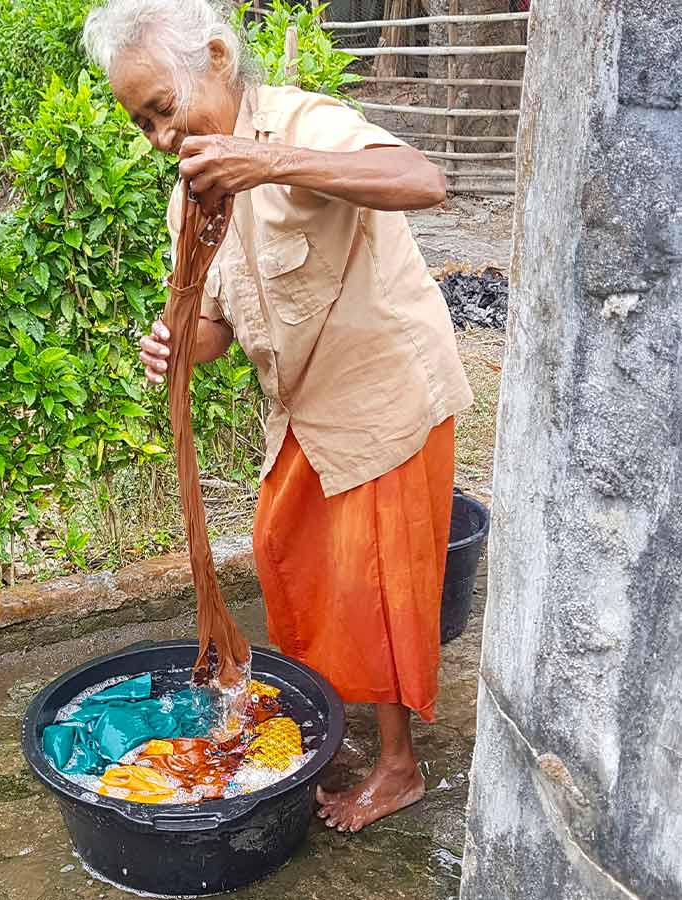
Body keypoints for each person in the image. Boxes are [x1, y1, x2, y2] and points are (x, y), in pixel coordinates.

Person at [83, 0, 473, 833]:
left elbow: (422, 180)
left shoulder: (302, 123)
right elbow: (217, 329)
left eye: (161, 108)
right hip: (302, 406)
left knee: (375, 583)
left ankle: (398, 766)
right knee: (283, 551)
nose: (157, 135)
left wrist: (271, 165)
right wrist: (179, 345)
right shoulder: (190, 197)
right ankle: (334, 714)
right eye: (140, 121)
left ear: (216, 57)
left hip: (383, 390)